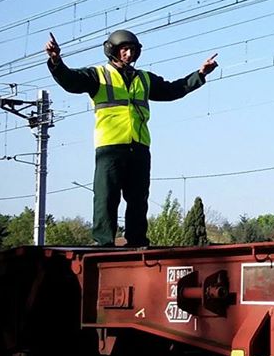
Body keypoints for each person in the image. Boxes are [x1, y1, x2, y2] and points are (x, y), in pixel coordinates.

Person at [45, 29, 218, 247]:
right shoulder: (97, 75)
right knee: (106, 197)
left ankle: (136, 240)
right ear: (112, 51)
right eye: (124, 49)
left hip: (140, 147)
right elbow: (70, 81)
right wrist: (55, 60)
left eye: (132, 50)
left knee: (138, 199)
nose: (128, 54)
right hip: (110, 147)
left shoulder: (144, 79)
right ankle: (103, 242)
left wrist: (200, 74)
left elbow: (173, 89)